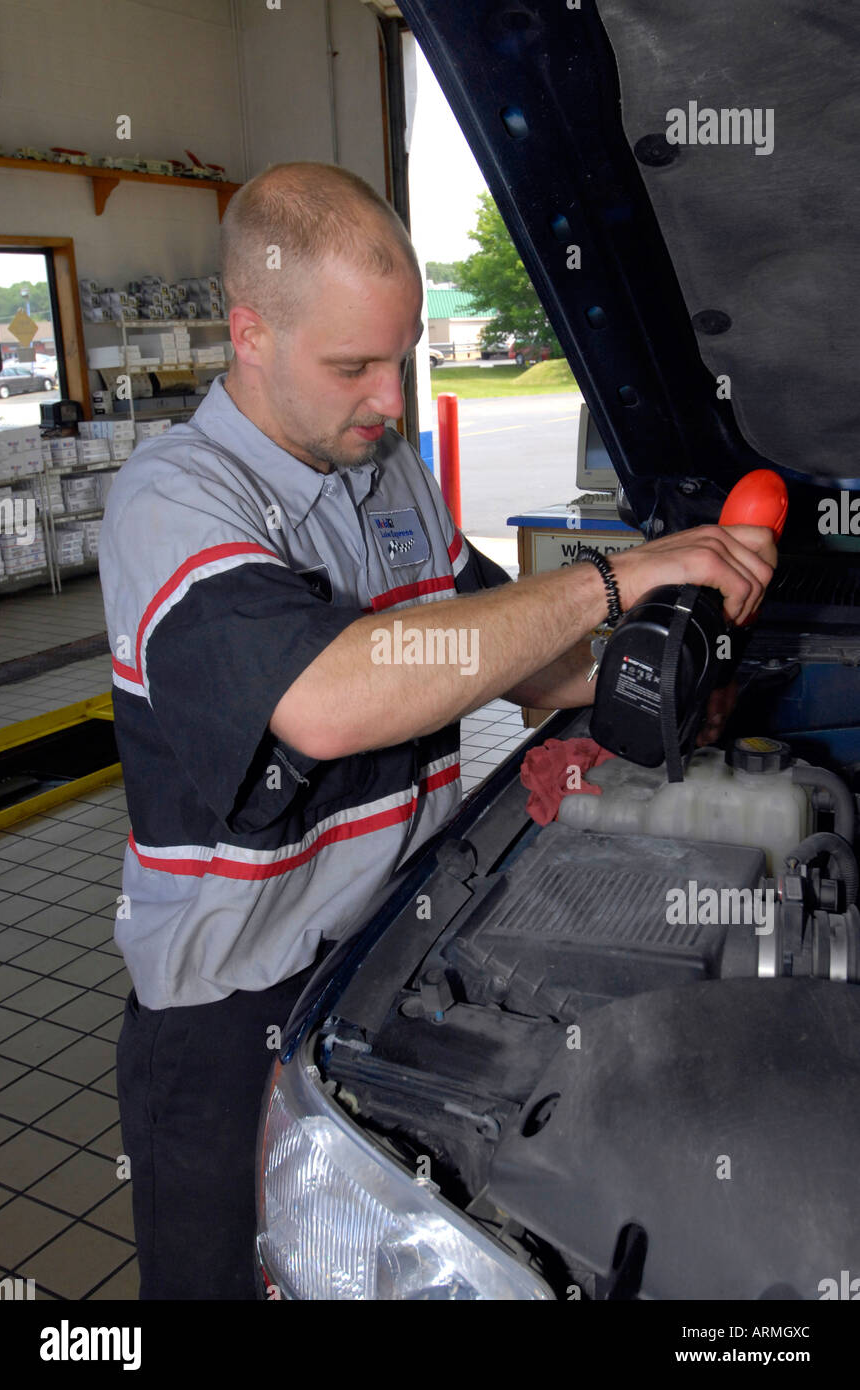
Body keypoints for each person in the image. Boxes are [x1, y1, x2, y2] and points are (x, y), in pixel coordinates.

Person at [98, 161, 776, 1300]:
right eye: (353, 366)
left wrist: (658, 661)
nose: (392, 401)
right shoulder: (176, 499)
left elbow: (519, 656)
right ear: (249, 332)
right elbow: (328, 694)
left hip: (386, 967)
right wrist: (619, 574)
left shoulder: (386, 475)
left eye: (400, 360)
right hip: (229, 1018)